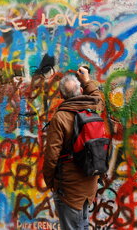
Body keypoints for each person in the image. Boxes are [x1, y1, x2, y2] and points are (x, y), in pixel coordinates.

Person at [43, 66, 105, 230]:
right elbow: (98, 97)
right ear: (80, 90)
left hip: (69, 190)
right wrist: (87, 81)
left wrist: (50, 182)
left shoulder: (60, 118)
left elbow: (51, 157)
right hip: (89, 185)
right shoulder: (93, 108)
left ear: (62, 95)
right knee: (83, 225)